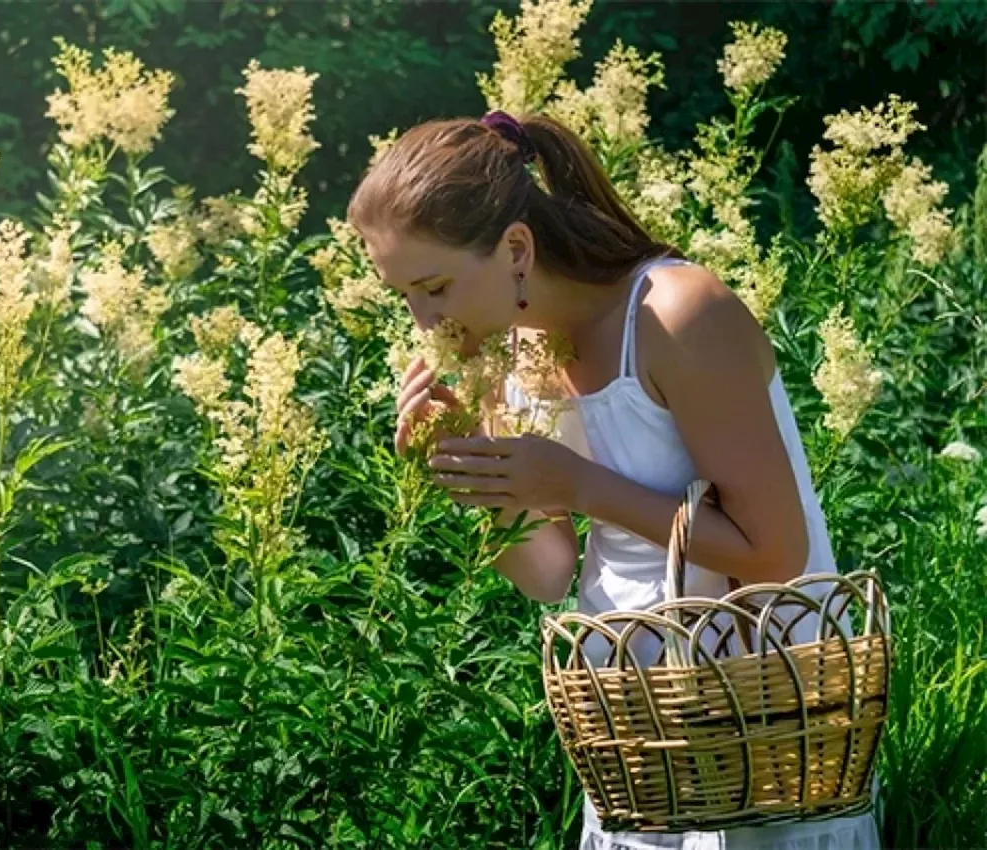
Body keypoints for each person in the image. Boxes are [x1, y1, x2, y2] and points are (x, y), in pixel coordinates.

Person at [345, 110, 882, 850]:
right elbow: (548, 573)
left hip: (756, 696)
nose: (422, 322)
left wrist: (575, 485)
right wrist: (477, 469)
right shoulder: (511, 353)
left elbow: (778, 552)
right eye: (402, 295)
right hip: (634, 712)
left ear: (516, 248)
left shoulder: (677, 315)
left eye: (434, 287)